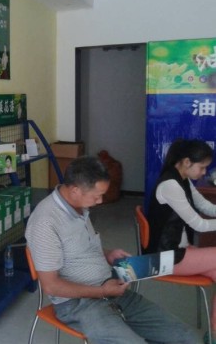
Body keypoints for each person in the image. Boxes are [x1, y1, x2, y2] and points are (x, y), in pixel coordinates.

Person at [26, 156, 197, 344]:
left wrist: (108, 254)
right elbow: (51, 286)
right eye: (96, 196)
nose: (100, 201)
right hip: (79, 304)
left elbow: (78, 249)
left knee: (186, 337)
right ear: (75, 190)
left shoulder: (79, 205)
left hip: (109, 288)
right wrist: (101, 291)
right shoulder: (45, 223)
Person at [147, 138, 216, 343]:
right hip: (164, 257)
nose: (204, 173)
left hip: (179, 249)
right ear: (186, 162)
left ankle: (214, 334)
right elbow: (199, 224)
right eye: (202, 167)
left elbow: (205, 206)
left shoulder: (183, 179)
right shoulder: (170, 185)